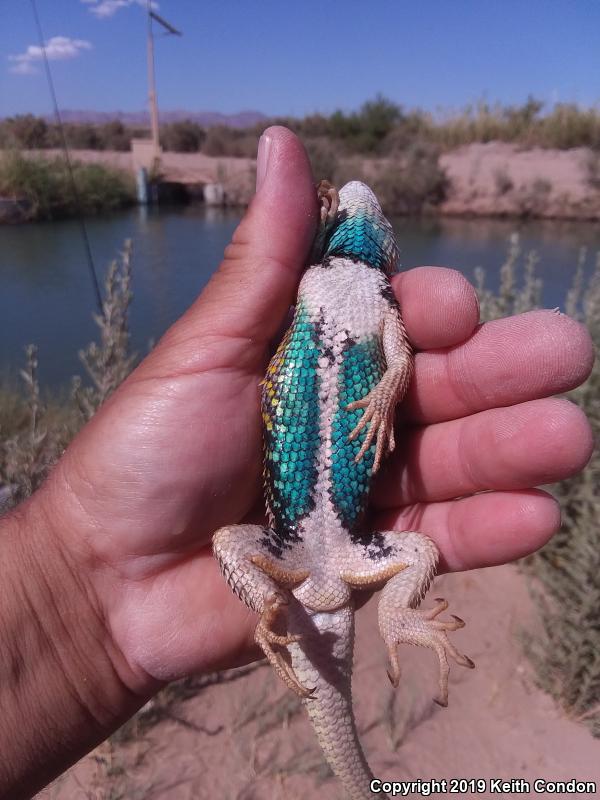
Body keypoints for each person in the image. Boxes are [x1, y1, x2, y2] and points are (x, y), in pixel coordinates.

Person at [0, 127, 593, 798]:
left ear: (388, 246)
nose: (366, 211)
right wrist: (316, 219)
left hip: (333, 548)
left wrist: (391, 393)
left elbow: (400, 362)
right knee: (248, 541)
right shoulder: (310, 277)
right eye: (349, 213)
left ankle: (395, 616)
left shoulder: (384, 299)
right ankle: (267, 610)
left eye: (380, 217)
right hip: (292, 551)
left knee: (404, 553)